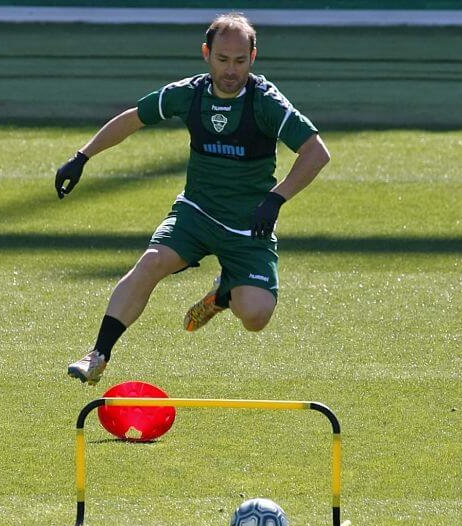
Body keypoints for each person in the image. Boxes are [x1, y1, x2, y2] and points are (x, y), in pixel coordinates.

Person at [55, 13, 330, 385]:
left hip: (248, 226)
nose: (231, 70)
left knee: (256, 316)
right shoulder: (189, 93)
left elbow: (317, 153)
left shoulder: (265, 101)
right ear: (206, 53)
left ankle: (223, 293)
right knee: (151, 262)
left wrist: (276, 198)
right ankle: (98, 355)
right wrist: (82, 157)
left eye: (239, 60)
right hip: (195, 214)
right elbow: (133, 118)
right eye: (222, 59)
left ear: (253, 56)